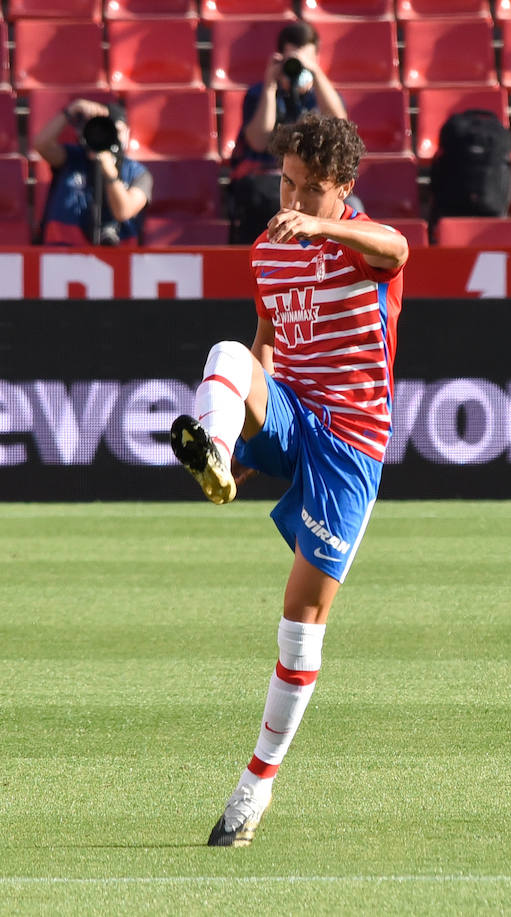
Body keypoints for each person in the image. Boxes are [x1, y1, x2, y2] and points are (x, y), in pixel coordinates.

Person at [169, 112, 408, 848]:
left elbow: (397, 247)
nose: (293, 200)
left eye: (310, 189)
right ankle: (209, 447)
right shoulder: (269, 252)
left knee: (301, 618)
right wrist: (243, 437)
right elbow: (266, 345)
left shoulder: (360, 243)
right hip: (294, 412)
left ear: (343, 188)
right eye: (287, 183)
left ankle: (255, 788)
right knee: (226, 353)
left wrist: (327, 230)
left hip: (349, 443)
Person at [226, 21, 349, 245]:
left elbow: (342, 132)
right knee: (266, 199)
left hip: (316, 178)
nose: (299, 66)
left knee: (352, 207)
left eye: (307, 59)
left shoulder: (324, 94)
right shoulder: (259, 93)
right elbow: (258, 141)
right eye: (292, 60)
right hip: (268, 179)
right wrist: (270, 87)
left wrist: (316, 74)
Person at [33, 98, 152, 246]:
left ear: (127, 132)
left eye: (117, 130)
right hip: (62, 256)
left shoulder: (138, 173)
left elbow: (123, 212)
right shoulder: (72, 159)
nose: (111, 137)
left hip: (119, 262)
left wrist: (109, 171)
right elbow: (41, 144)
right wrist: (69, 111)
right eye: (105, 131)